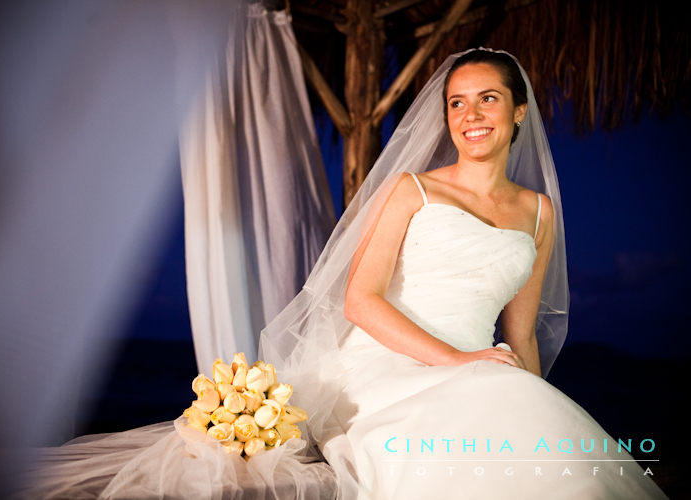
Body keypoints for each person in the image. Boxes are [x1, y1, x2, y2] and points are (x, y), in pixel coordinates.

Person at [259, 48, 669, 499]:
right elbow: (360, 300)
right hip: (383, 365)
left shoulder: (539, 213)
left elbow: (522, 335)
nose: (469, 114)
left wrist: (534, 403)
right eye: (457, 102)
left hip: (481, 370)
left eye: (487, 98)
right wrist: (456, 360)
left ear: (519, 111)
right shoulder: (411, 189)